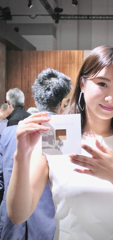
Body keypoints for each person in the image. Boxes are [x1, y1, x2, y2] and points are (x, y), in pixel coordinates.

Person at [7, 46, 113, 240]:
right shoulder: (58, 133)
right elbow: (18, 215)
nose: (110, 97)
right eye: (102, 84)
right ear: (83, 83)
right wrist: (21, 156)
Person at [0, 69, 71, 240]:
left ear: (36, 100)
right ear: (63, 103)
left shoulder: (8, 133)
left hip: (10, 224)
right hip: (47, 225)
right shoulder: (62, 134)